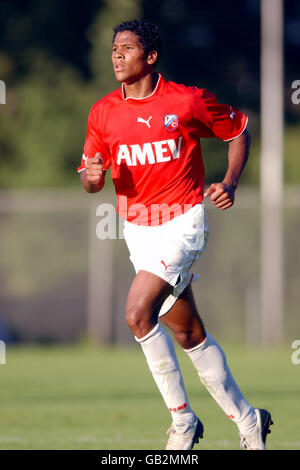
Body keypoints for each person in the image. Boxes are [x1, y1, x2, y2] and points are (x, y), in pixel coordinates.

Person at [78, 19, 273, 450]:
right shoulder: (103, 111)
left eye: (126, 48)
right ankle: (248, 419)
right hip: (137, 230)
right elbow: (91, 181)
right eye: (114, 49)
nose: (117, 55)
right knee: (188, 334)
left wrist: (231, 181)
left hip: (182, 222)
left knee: (135, 313)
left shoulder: (186, 101)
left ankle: (183, 421)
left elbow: (238, 130)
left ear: (150, 56)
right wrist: (92, 176)